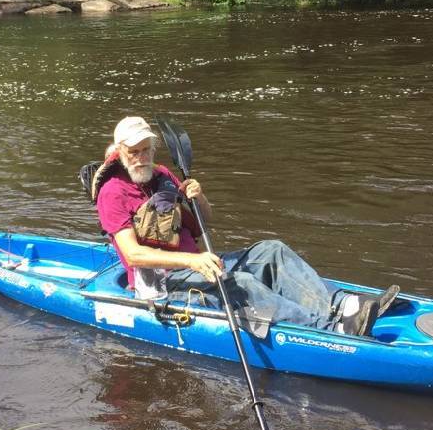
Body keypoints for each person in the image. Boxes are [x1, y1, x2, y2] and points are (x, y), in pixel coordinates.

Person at [90, 116, 399, 336]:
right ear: (120, 151)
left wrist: (200, 197)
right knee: (241, 283)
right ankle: (332, 330)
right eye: (134, 151)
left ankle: (342, 305)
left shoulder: (161, 176)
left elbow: (204, 222)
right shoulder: (112, 192)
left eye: (146, 150)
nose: (141, 157)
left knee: (271, 251)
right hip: (162, 282)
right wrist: (192, 260)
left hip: (199, 264)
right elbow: (133, 255)